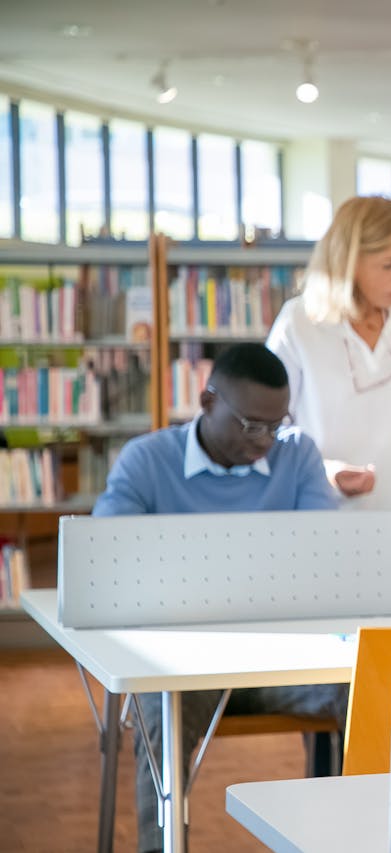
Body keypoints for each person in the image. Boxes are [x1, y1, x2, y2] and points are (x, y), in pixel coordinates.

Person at [92, 343, 346, 853]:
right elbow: (108, 563)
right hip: (185, 670)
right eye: (251, 425)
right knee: (160, 709)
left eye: (277, 425)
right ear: (207, 403)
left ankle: (346, 838)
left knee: (372, 688)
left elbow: (324, 560)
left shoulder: (297, 455)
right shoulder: (147, 461)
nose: (266, 441)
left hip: (283, 662)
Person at [266, 195, 391, 509]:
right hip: (326, 514)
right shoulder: (298, 324)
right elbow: (271, 433)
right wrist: (327, 473)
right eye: (388, 265)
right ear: (347, 263)